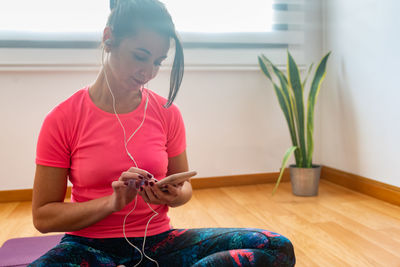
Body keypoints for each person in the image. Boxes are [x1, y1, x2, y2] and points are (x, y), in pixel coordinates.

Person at [29, 0, 295, 266]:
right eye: (140, 56)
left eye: (158, 62)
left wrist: (175, 195)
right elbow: (43, 217)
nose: (149, 72)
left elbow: (185, 187)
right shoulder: (63, 118)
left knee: (275, 247)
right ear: (109, 39)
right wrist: (113, 202)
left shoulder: (167, 112)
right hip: (87, 248)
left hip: (159, 244)